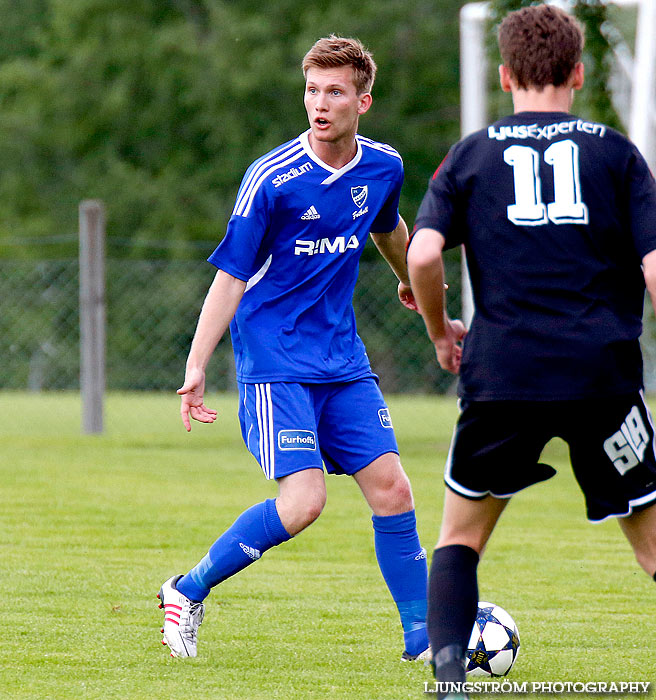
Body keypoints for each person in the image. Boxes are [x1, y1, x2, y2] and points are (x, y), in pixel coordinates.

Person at [407, 4, 656, 695]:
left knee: (460, 538)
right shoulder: (617, 153)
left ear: (505, 74)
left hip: (503, 371)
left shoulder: (472, 154)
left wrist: (439, 331)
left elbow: (424, 254)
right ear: (577, 72)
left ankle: (449, 681)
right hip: (602, 374)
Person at [157, 34, 430, 663]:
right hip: (275, 358)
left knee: (393, 490)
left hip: (342, 357)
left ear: (363, 100)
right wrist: (197, 365)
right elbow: (229, 277)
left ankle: (424, 642)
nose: (319, 103)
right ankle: (187, 589)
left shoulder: (382, 166)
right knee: (305, 503)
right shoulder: (272, 179)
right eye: (312, 90)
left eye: (334, 92)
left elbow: (388, 227)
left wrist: (406, 279)